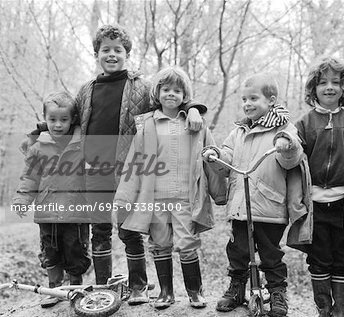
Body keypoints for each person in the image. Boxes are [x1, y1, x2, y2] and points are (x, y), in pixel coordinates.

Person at [21, 24, 207, 304]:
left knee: (130, 229)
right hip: (93, 171)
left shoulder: (141, 88)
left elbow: (171, 101)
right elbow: (67, 119)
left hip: (128, 171)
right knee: (100, 230)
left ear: (126, 53)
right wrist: (43, 132)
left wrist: (194, 108)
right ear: (96, 53)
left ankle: (138, 286)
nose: (111, 54)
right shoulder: (87, 90)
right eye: (105, 50)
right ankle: (102, 286)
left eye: (117, 50)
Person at [113, 66, 227, 309]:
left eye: (177, 90)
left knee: (187, 243)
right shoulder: (147, 126)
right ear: (158, 92)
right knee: (160, 243)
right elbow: (135, 162)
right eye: (166, 90)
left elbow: (211, 158)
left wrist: (220, 193)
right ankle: (165, 292)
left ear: (185, 96)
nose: (171, 94)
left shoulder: (196, 124)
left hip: (185, 197)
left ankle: (194, 292)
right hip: (155, 198)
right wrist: (124, 196)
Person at [203, 73, 310, 317]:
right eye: (244, 99)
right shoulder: (238, 132)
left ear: (271, 100)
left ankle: (277, 292)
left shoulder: (284, 129)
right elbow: (227, 158)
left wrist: (287, 145)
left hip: (269, 206)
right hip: (241, 205)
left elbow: (292, 158)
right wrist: (215, 156)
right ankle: (237, 288)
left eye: (253, 98)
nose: (247, 104)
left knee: (271, 253)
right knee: (238, 250)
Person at [291, 56, 344, 317]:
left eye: (336, 82)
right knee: (318, 258)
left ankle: (340, 312)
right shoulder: (304, 122)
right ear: (313, 88)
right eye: (323, 82)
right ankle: (324, 310)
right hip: (314, 205)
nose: (329, 87)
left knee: (343, 258)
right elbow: (291, 156)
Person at [12, 91, 90, 308]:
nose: (58, 124)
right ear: (44, 119)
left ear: (72, 119)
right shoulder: (38, 147)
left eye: (64, 120)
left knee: (76, 251)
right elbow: (30, 177)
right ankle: (54, 289)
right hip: (47, 211)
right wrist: (22, 200)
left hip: (76, 212)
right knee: (50, 251)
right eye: (52, 119)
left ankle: (76, 288)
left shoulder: (82, 144)